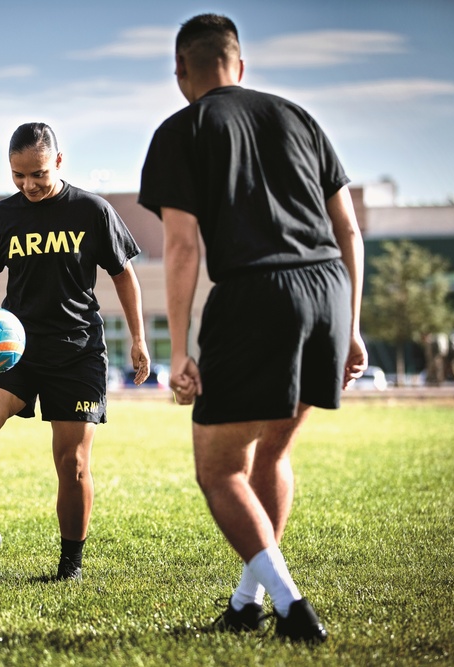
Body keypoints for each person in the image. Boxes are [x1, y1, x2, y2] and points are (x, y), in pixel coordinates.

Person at [139, 14, 367, 643]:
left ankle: (292, 607)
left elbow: (182, 247)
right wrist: (352, 325)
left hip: (256, 293)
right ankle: (247, 603)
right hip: (328, 289)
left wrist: (179, 349)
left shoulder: (182, 129)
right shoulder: (300, 118)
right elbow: (348, 230)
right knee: (272, 453)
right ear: (239, 64)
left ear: (182, 71)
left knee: (219, 471)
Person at [0, 122, 151, 582]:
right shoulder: (3, 217)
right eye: (18, 176)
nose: (29, 185)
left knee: (73, 461)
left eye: (37, 174)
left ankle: (70, 567)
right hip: (13, 348)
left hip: (77, 351)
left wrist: (139, 339)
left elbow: (124, 275)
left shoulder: (92, 210)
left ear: (58, 162)